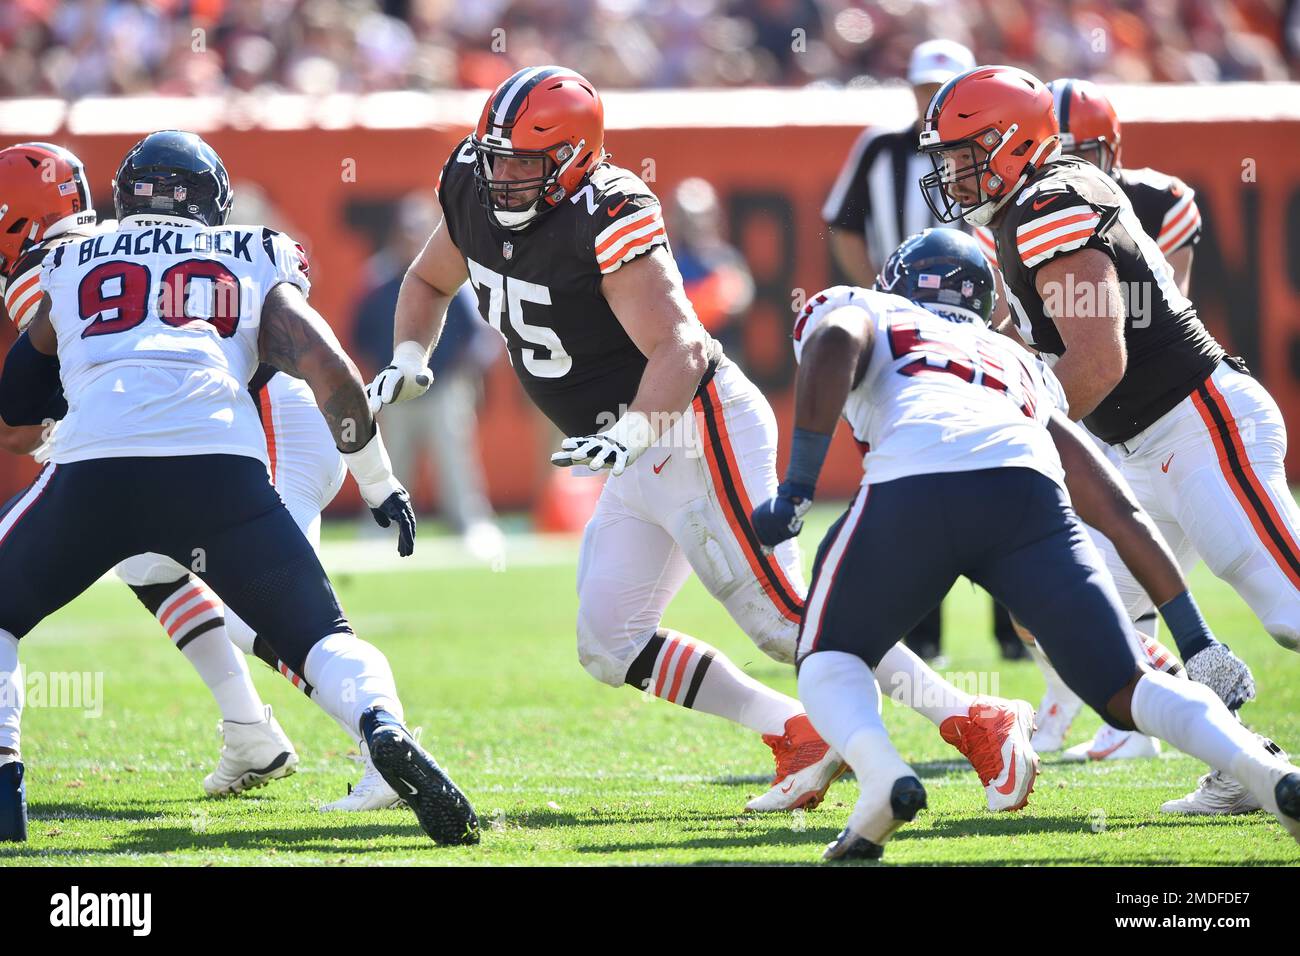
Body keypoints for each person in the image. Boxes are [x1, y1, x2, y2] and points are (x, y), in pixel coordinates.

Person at [366, 65, 1035, 813]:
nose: (504, 176)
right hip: (629, 442)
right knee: (610, 641)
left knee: (786, 619)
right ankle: (794, 730)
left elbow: (679, 349)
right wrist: (410, 357)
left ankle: (972, 717)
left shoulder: (608, 209)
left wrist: (630, 431)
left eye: (525, 161)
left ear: (575, 159)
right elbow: (428, 281)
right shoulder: (473, 187)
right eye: (497, 157)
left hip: (688, 422)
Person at [750, 230, 1300, 861]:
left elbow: (835, 339)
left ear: (898, 284)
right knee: (1128, 690)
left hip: (913, 486)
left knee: (828, 653)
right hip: (1028, 502)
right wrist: (1194, 635)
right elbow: (1117, 509)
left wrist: (795, 491)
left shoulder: (868, 308)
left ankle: (882, 782)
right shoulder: (1019, 362)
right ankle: (1268, 774)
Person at [0, 130, 479, 846]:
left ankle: (8, 786)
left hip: (196, 441)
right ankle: (346, 725)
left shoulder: (67, 261)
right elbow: (332, 368)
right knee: (306, 628)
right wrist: (380, 484)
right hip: (227, 457)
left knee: (236, 614)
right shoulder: (253, 252)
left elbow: (18, 411)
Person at [921, 65, 1288, 811]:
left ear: (1014, 142)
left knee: (1289, 610)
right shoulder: (1027, 204)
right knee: (1094, 631)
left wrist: (1018, 444)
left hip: (1196, 421)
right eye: (948, 156)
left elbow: (1097, 360)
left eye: (966, 153)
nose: (952, 172)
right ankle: (1249, 765)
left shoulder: (1052, 201)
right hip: (1135, 447)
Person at [824, 38, 1021, 663]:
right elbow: (844, 222)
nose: (928, 99)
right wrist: (877, 288)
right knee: (908, 453)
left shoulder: (992, 151)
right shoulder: (881, 147)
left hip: (975, 316)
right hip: (903, 321)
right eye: (922, 87)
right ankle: (924, 632)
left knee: (999, 450)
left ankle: (1015, 629)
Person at [353, 194, 502, 559]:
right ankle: (381, 527)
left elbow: (481, 338)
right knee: (390, 463)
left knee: (455, 463)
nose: (412, 238)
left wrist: (465, 378)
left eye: (420, 231)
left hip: (446, 386)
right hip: (396, 391)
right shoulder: (378, 278)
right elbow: (358, 333)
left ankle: (471, 526)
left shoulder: (449, 278)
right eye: (407, 231)